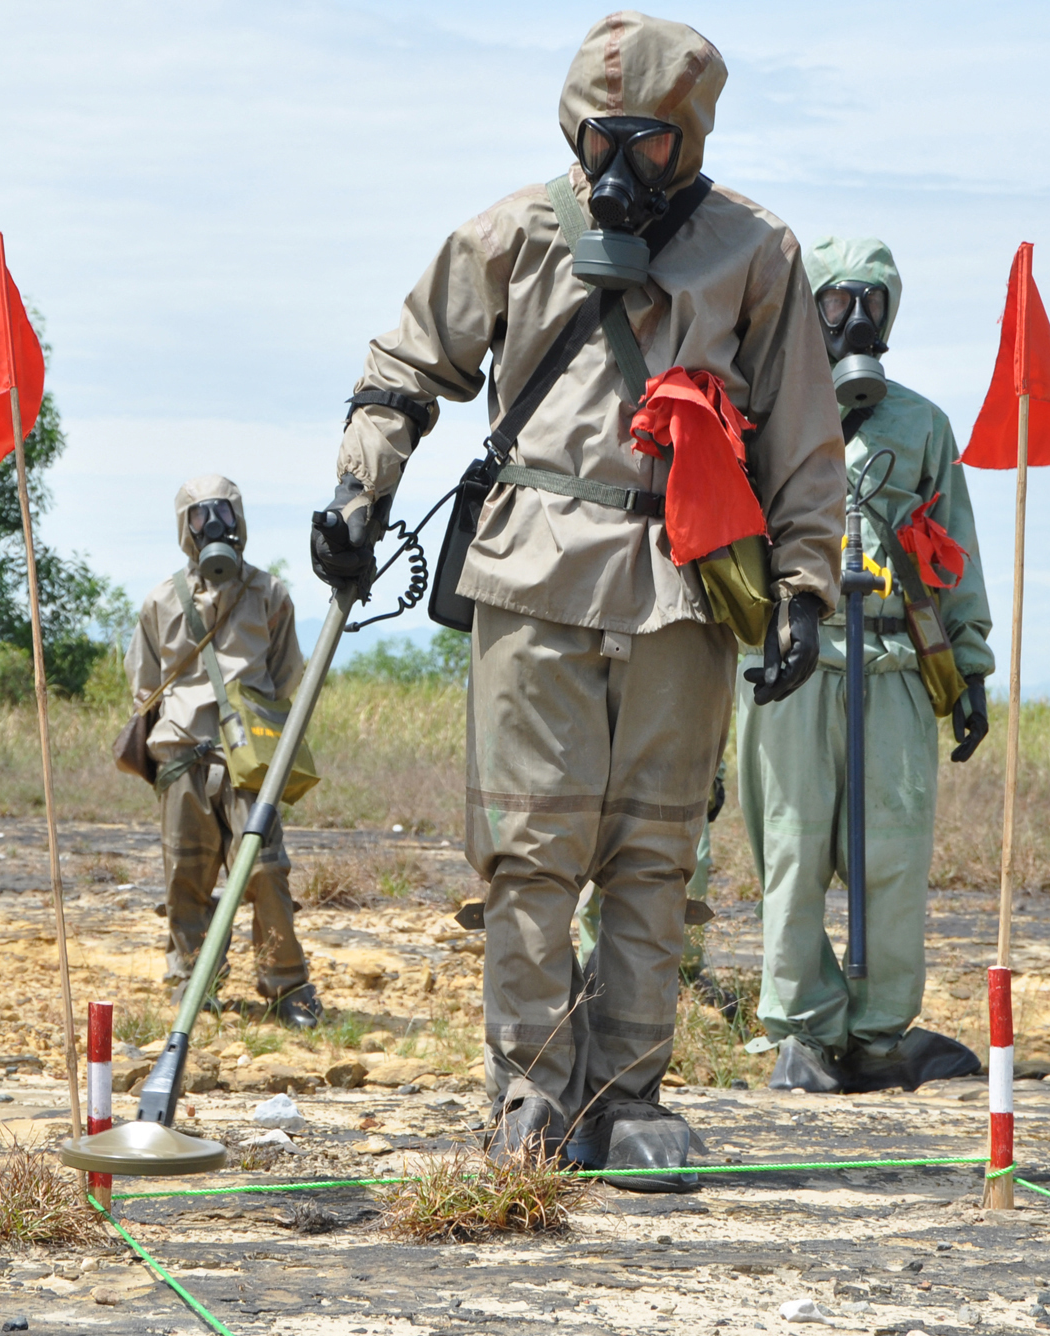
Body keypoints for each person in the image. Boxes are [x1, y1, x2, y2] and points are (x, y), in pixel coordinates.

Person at [312, 11, 843, 1189]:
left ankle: (629, 1094)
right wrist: (358, 492)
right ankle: (528, 1088)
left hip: (685, 581)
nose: (618, 164)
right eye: (600, 136)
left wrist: (804, 583)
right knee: (529, 849)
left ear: (691, 137)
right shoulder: (512, 233)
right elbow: (402, 369)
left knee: (653, 853)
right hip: (534, 569)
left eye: (648, 143)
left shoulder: (755, 250)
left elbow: (804, 437)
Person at [738, 237, 996, 1095]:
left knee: (891, 851)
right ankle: (806, 1032)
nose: (854, 320)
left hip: (891, 664)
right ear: (806, 306)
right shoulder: (760, 409)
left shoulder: (921, 425)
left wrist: (971, 665)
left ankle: (881, 1032)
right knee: (795, 846)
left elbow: (953, 548)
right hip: (792, 659)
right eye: (836, 302)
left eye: (871, 303)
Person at [128, 476, 321, 1029]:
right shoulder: (161, 600)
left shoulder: (270, 594)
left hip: (250, 763)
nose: (214, 527)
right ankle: (194, 985)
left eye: (223, 514)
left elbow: (287, 680)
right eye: (199, 516)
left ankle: (286, 987)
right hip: (184, 758)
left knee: (266, 872)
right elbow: (144, 689)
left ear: (240, 519)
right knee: (184, 879)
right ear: (184, 527)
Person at [577, 768, 735, 1017]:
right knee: (594, 858)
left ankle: (687, 975)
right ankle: (593, 977)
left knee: (689, 863)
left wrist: (716, 775)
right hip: (595, 752)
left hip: (678, 755)